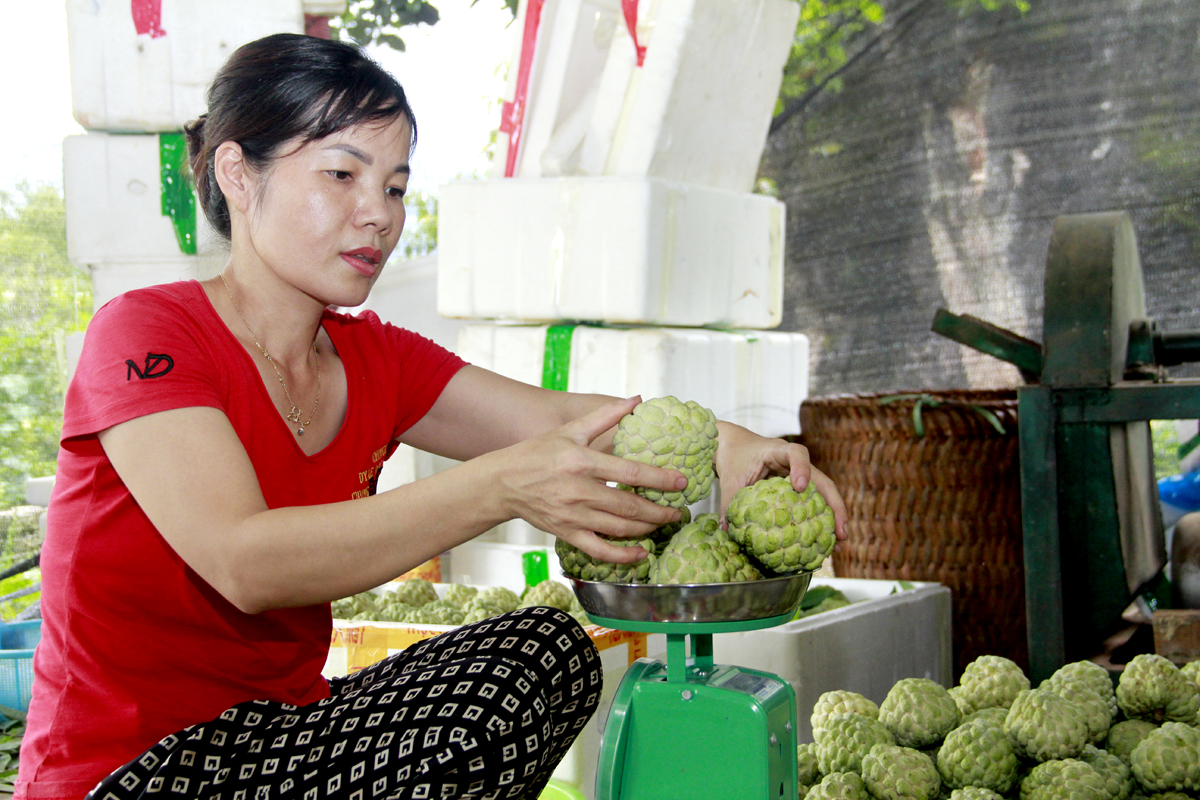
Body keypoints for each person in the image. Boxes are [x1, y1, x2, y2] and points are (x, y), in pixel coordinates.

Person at [16, 32, 847, 800]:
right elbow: (244, 560)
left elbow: (556, 417)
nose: (377, 213)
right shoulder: (146, 330)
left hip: (280, 742)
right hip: (134, 771)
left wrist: (733, 444)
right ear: (239, 174)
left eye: (395, 187)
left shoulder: (375, 358)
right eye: (341, 175)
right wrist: (500, 490)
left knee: (545, 655)